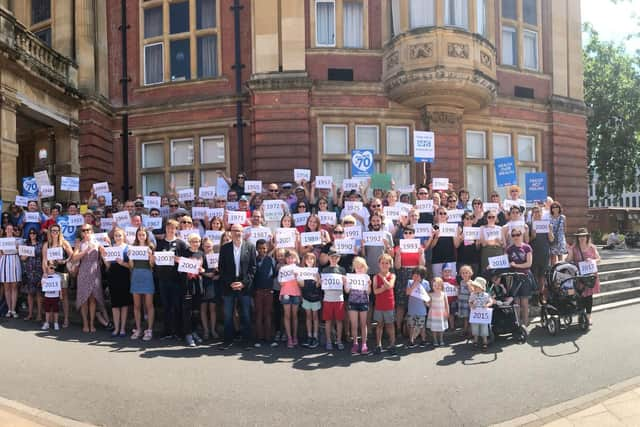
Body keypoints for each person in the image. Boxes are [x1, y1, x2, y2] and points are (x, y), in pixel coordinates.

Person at [218, 223, 256, 350]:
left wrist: (243, 283)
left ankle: (247, 341)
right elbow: (221, 268)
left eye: (240, 231)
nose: (237, 233)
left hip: (244, 286)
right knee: (228, 315)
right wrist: (230, 283)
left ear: (243, 232)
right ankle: (228, 341)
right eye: (235, 231)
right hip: (229, 285)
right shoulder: (224, 248)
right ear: (231, 232)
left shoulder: (250, 247)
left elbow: (253, 268)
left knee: (245, 314)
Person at [154, 219, 188, 340]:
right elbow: (156, 259)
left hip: (176, 280)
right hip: (163, 279)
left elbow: (187, 260)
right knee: (166, 306)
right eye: (169, 228)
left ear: (176, 229)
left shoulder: (181, 244)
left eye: (173, 228)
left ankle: (178, 331)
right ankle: (167, 331)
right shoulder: (160, 243)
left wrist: (177, 259)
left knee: (177, 306)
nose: (170, 230)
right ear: (166, 229)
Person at [72, 225, 105, 333]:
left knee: (93, 299)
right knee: (84, 299)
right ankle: (85, 323)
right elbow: (74, 258)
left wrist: (106, 245)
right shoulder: (79, 244)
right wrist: (85, 251)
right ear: (81, 232)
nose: (86, 232)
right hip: (83, 271)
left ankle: (91, 323)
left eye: (88, 230)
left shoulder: (97, 242)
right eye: (84, 230)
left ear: (92, 231)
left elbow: (105, 254)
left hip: (95, 271)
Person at [566, 228, 601, 325]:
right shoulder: (574, 248)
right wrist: (570, 253)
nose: (582, 238)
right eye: (580, 236)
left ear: (587, 237)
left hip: (590, 275)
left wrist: (592, 260)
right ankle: (581, 315)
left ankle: (589, 316)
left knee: (589, 297)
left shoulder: (592, 247)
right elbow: (568, 260)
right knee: (580, 296)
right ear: (577, 238)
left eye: (583, 236)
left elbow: (599, 259)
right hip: (579, 276)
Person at [101, 227, 131, 337]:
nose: (118, 237)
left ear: (124, 237)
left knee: (124, 304)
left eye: (120, 235)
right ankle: (116, 328)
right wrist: (104, 258)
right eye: (116, 236)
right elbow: (108, 266)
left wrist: (122, 262)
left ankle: (122, 328)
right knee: (115, 304)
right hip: (113, 277)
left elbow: (131, 266)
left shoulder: (128, 248)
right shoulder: (111, 248)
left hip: (124, 277)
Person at [41, 224, 74, 328]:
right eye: (53, 231)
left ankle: (66, 319)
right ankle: (50, 320)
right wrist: (45, 272)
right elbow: (44, 260)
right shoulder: (47, 244)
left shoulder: (64, 243)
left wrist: (64, 261)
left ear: (60, 232)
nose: (55, 232)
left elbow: (72, 255)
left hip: (62, 272)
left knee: (64, 296)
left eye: (57, 231)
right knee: (50, 296)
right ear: (50, 232)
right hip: (51, 273)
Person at [178, 233, 205, 347]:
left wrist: (202, 270)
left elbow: (205, 269)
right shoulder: (184, 253)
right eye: (193, 241)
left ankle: (194, 331)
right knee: (187, 311)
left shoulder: (201, 253)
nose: (196, 243)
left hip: (198, 285)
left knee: (196, 311)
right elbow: (179, 270)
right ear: (189, 242)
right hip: (187, 285)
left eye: (198, 241)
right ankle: (187, 334)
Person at [506, 228, 533, 327]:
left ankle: (525, 324)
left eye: (518, 234)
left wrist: (516, 266)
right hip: (513, 277)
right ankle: (517, 325)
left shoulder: (527, 248)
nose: (516, 237)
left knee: (525, 302)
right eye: (513, 235)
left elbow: (529, 264)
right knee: (516, 303)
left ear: (521, 235)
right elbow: (505, 263)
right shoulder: (509, 249)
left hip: (524, 276)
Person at [321, 250, 347, 351]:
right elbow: (321, 284)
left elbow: (345, 285)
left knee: (339, 321)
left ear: (339, 258)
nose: (334, 259)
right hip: (327, 298)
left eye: (336, 257)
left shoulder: (342, 270)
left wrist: (345, 282)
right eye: (332, 257)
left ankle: (339, 340)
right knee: (328, 321)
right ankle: (328, 341)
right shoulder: (325, 270)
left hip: (339, 298)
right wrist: (320, 281)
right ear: (328, 257)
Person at [528, 206, 554, 303]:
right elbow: (527, 241)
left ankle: (541, 295)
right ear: (532, 214)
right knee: (534, 275)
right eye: (535, 212)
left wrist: (550, 231)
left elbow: (551, 240)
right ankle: (535, 296)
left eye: (538, 212)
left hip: (544, 253)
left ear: (542, 213)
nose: (537, 214)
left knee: (542, 276)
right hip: (534, 253)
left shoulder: (547, 224)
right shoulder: (529, 225)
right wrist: (532, 236)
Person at [346, 256, 371, 355]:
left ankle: (364, 343)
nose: (359, 269)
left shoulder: (366, 277)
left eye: (361, 267)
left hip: (364, 302)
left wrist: (369, 285)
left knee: (363, 324)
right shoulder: (351, 277)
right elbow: (347, 291)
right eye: (357, 267)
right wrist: (345, 283)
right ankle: (355, 343)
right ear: (354, 268)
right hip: (352, 302)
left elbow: (368, 292)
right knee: (354, 325)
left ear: (364, 267)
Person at [253, 239, 276, 348]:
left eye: (264, 248)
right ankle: (258, 338)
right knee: (258, 314)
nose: (262, 250)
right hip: (258, 291)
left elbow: (274, 274)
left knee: (268, 314)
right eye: (260, 248)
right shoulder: (254, 260)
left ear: (267, 248)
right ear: (256, 249)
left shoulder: (271, 260)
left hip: (269, 291)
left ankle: (269, 338)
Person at [373, 253, 396, 355]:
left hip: (389, 305)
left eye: (387, 263)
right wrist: (383, 287)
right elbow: (375, 291)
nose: (384, 265)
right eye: (382, 263)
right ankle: (378, 345)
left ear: (390, 265)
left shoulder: (392, 275)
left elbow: (390, 286)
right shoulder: (375, 277)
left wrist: (383, 279)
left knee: (390, 325)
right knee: (379, 325)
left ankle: (392, 345)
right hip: (379, 305)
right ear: (379, 264)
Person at [278, 250, 302, 348]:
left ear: (296, 259)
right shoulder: (282, 269)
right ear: (286, 259)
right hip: (286, 293)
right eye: (288, 258)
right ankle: (289, 338)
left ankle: (295, 336)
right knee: (287, 316)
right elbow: (281, 283)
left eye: (292, 257)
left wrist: (297, 277)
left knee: (295, 316)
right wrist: (287, 277)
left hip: (296, 293)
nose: (290, 259)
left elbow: (301, 284)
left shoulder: (299, 269)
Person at [298, 252, 321, 349]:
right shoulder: (301, 271)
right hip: (306, 297)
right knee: (308, 317)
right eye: (308, 259)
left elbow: (318, 285)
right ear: (305, 261)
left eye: (312, 259)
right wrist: (298, 278)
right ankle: (309, 336)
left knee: (315, 317)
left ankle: (315, 337)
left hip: (315, 298)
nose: (310, 261)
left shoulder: (317, 272)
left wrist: (318, 280)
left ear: (314, 261)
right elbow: (301, 285)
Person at [20, 228, 43, 321]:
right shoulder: (26, 244)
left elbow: (43, 256)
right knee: (30, 293)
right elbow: (22, 258)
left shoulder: (40, 245)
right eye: (30, 233)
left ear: (37, 234)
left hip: (39, 270)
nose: (32, 235)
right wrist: (27, 254)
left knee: (38, 293)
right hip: (29, 271)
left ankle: (39, 315)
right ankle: (30, 314)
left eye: (34, 233)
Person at [405, 266, 430, 348]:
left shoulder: (426, 283)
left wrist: (428, 303)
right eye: (414, 275)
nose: (414, 277)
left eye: (417, 275)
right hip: (412, 309)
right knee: (411, 325)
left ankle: (423, 340)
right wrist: (415, 284)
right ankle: (411, 340)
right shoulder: (410, 282)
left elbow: (427, 295)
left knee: (422, 326)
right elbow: (408, 293)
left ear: (422, 276)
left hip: (422, 309)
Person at [1, 224, 21, 318]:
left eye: (11, 229)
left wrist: (18, 247)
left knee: (14, 286)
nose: (9, 230)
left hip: (14, 261)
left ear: (13, 230)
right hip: (4, 261)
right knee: (6, 287)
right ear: (5, 230)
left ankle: (13, 310)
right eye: (7, 229)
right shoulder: (1, 241)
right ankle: (9, 309)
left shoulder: (17, 240)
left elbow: (22, 252)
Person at [200, 237, 218, 341]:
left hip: (213, 285)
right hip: (203, 284)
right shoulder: (200, 256)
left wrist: (218, 275)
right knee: (203, 308)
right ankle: (206, 331)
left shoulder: (216, 257)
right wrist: (206, 274)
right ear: (203, 247)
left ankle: (213, 330)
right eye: (206, 246)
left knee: (212, 309)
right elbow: (197, 270)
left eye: (210, 246)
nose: (208, 248)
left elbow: (222, 270)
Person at [468, 277, 492, 351]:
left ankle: (485, 342)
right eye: (474, 287)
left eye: (476, 287)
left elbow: (490, 301)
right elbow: (470, 302)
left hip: (483, 315)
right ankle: (475, 341)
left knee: (484, 328)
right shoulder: (472, 294)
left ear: (481, 288)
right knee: (475, 328)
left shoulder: (486, 295)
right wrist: (472, 305)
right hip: (475, 314)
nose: (474, 288)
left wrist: (487, 305)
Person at [427, 277, 449, 347]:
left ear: (441, 285)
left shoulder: (443, 294)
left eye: (439, 285)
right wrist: (426, 303)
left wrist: (447, 312)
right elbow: (429, 305)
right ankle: (435, 339)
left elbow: (446, 304)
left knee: (441, 327)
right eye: (435, 285)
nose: (437, 287)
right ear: (432, 286)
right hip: (433, 314)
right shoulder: (431, 294)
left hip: (441, 313)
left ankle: (441, 339)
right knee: (434, 327)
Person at [41, 262, 61, 331]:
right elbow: (42, 285)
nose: (52, 269)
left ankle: (56, 323)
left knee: (56, 311)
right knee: (47, 311)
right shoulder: (45, 276)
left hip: (55, 296)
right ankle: (47, 323)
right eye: (50, 268)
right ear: (47, 269)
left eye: (53, 268)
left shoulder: (57, 276)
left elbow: (59, 286)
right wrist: (44, 278)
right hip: (47, 296)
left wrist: (60, 294)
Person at [457, 264, 473, 338]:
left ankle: (470, 332)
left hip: (468, 302)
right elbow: (460, 290)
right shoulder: (461, 282)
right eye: (463, 273)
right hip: (462, 302)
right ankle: (465, 330)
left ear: (470, 273)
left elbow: (472, 292)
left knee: (470, 318)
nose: (464, 274)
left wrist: (469, 285)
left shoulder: (471, 282)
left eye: (466, 273)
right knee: (465, 318)